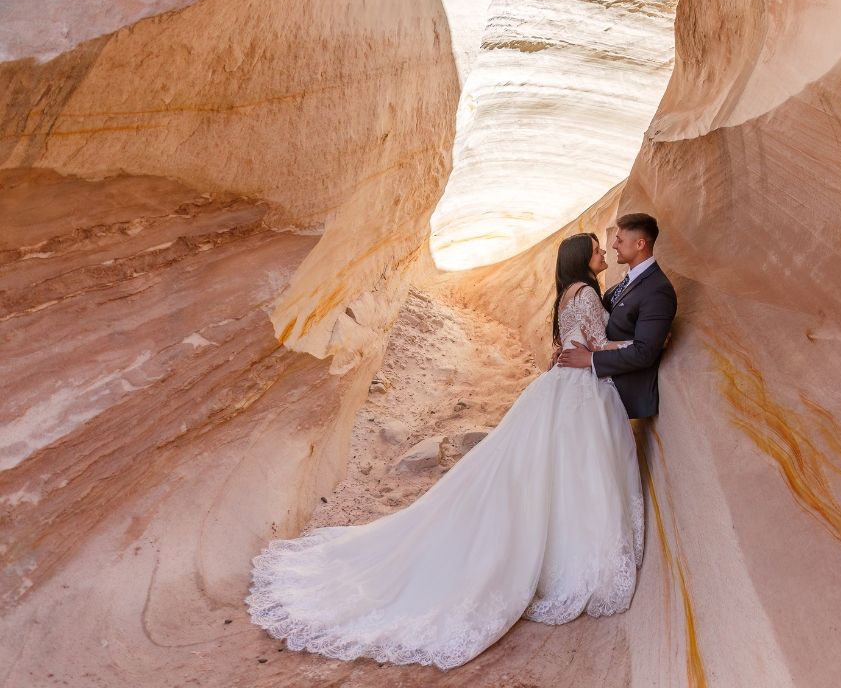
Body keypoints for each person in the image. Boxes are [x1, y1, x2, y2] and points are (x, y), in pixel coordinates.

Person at [246, 233, 645, 670]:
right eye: (597, 248)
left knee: (539, 473)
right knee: (572, 475)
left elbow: (563, 346)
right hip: (580, 392)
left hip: (558, 388)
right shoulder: (587, 292)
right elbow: (598, 344)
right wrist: (642, 347)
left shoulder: (566, 292)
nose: (603, 252)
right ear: (583, 258)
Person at [556, 213, 677, 419]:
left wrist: (591, 358)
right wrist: (567, 345)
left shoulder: (658, 289)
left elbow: (644, 353)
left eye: (619, 240)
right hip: (594, 389)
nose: (612, 246)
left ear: (640, 244)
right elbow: (589, 325)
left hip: (620, 392)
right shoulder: (614, 289)